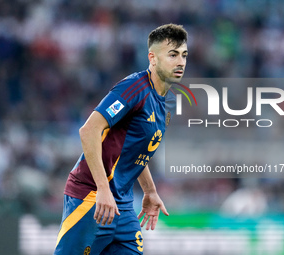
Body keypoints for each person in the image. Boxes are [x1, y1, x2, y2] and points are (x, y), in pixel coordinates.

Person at [54, 23, 188, 255]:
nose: (180, 62)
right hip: (91, 197)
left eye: (184, 55)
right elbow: (88, 131)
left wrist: (150, 191)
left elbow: (136, 151)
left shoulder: (169, 102)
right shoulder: (134, 87)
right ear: (152, 58)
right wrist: (103, 189)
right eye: (173, 54)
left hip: (122, 205)